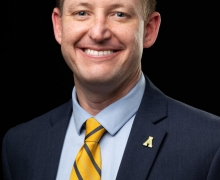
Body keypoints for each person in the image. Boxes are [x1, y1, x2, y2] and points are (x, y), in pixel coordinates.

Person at [2, 0, 220, 179]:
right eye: (81, 13)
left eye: (119, 14)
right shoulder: (21, 145)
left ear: (149, 30)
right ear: (58, 26)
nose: (98, 33)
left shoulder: (211, 143)